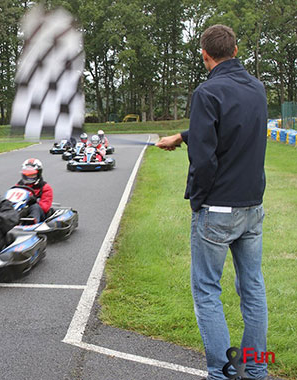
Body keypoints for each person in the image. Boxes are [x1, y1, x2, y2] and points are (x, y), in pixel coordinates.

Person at [156, 25, 268, 380]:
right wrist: (183, 136)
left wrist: (197, 202)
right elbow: (231, 126)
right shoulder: (257, 89)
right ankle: (255, 367)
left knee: (207, 292)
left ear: (206, 56)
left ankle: (223, 374)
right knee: (253, 289)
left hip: (217, 210)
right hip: (252, 207)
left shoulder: (207, 92)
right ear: (235, 50)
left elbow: (204, 161)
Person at [16, 158, 53, 222]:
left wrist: (33, 201)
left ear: (38, 174)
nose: (29, 177)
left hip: (39, 213)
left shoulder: (45, 187)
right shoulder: (18, 186)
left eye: (32, 175)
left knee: (35, 207)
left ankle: (32, 221)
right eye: (27, 174)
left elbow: (45, 207)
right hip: (21, 210)